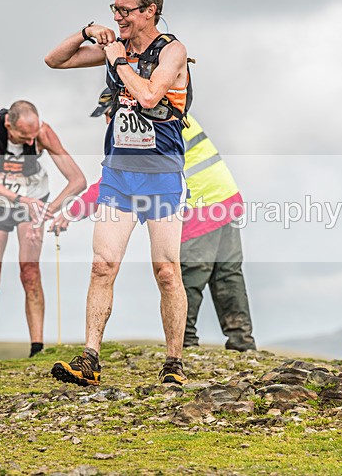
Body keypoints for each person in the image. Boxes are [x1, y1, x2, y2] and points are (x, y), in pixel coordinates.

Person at [44, 0, 192, 386]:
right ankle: (89, 359)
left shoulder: (172, 51)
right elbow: (55, 60)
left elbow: (148, 96)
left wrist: (118, 60)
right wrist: (88, 32)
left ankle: (173, 363)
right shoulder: (116, 47)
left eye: (126, 10)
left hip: (162, 175)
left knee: (166, 272)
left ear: (150, 11)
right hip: (118, 176)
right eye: (115, 9)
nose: (120, 17)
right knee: (102, 265)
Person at [53, 106, 256, 353]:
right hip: (225, 197)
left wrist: (73, 211)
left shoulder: (143, 124)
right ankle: (242, 342)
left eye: (108, 115)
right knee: (227, 274)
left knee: (185, 275)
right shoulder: (174, 110)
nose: (107, 123)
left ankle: (186, 344)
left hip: (199, 203)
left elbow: (119, 180)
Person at [0, 100, 85, 360]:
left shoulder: (42, 134)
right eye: (24, 137)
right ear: (9, 126)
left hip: (34, 200)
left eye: (33, 137)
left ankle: (37, 349)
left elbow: (78, 180)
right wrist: (19, 201)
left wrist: (49, 210)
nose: (30, 142)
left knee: (30, 271)